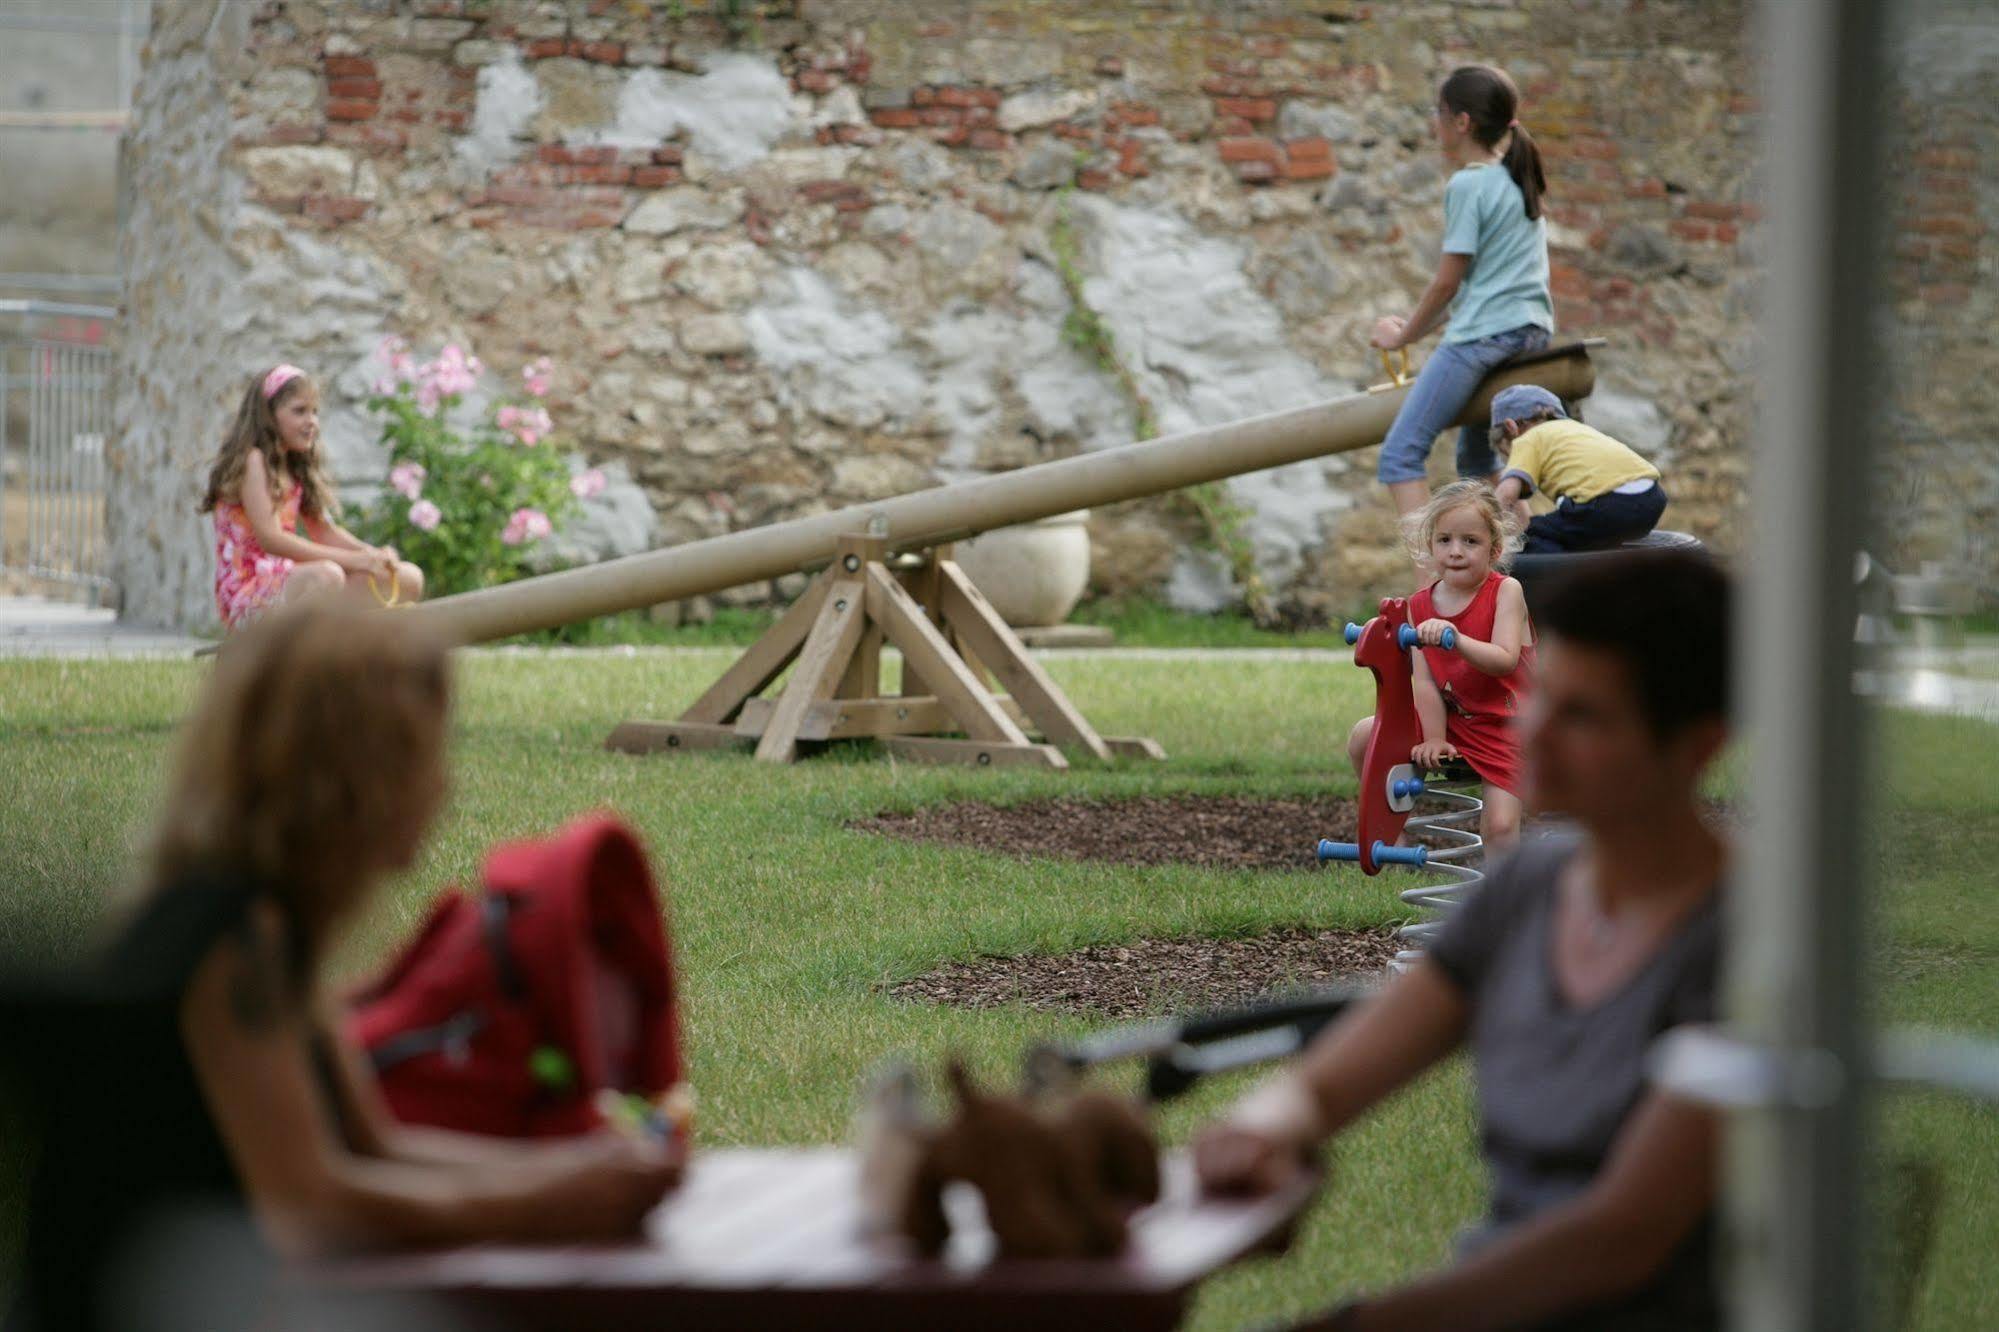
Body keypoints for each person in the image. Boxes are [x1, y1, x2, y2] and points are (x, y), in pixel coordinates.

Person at [6, 601, 680, 1332]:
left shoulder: (272, 927)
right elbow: (311, 1206)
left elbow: (378, 1147)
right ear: (351, 775)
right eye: (424, 756)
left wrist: (577, 1166)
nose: (443, 789)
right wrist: (556, 1202)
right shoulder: (232, 941)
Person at [1201, 549, 1733, 1331]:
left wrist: (1368, 1323)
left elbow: (1617, 1241)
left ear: (1696, 747)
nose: (1536, 735)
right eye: (1541, 697)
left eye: (1582, 715)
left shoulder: (1743, 937)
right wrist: (1261, 1131)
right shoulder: (1533, 885)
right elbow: (1324, 1083)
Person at [1372, 65, 1554, 520]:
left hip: (1485, 339)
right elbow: (1480, 292)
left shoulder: (1469, 184)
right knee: (1477, 462)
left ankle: (1430, 589)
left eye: (1439, 111)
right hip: (1528, 332)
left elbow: (1448, 282)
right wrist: (1419, 326)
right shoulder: (1517, 178)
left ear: (1461, 122)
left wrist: (1403, 337)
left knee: (1400, 456)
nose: (1434, 121)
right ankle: (1527, 567)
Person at [1347, 481, 1534, 848]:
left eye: (1470, 541)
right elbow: (1426, 682)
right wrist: (1434, 736)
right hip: (1455, 720)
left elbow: (1504, 660)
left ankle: (1502, 899)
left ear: (1494, 549)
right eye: (1444, 540)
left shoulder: (1506, 592)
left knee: (1498, 827)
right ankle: (1391, 829)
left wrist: (1457, 639)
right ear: (1429, 547)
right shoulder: (1419, 606)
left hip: (1507, 724)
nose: (1456, 552)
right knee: (1363, 736)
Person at [199, 363, 423, 630]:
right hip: (247, 595)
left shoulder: (294, 466)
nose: (312, 422)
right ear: (268, 415)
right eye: (299, 411)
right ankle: (271, 650)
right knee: (326, 577)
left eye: (315, 412)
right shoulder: (253, 461)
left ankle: (341, 645)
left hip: (289, 583)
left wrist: (374, 556)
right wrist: (356, 561)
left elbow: (325, 532)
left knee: (408, 578)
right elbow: (272, 540)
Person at [1488, 384, 1667, 554]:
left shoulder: (1527, 439)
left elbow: (1506, 494)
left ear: (1511, 428)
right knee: (1569, 524)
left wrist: (1486, 533)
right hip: (1652, 500)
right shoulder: (1576, 430)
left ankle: (1559, 579)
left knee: (1536, 534)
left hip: (1610, 505)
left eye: (1509, 454)